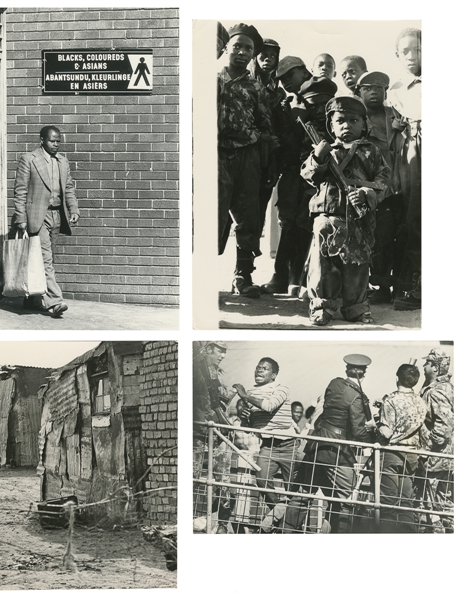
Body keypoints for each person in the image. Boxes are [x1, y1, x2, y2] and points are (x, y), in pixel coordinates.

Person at [302, 96, 390, 325]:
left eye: (353, 120)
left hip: (359, 218)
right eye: (340, 121)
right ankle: (322, 306)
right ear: (331, 126)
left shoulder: (372, 151)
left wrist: (366, 194)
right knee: (323, 265)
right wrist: (317, 158)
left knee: (357, 266)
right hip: (328, 217)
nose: (346, 126)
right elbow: (308, 176)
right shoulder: (324, 150)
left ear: (364, 124)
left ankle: (356, 308)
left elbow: (384, 181)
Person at [218, 23, 278, 297]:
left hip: (248, 157)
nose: (242, 52)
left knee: (249, 218)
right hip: (217, 155)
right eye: (237, 46)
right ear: (226, 48)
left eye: (248, 49)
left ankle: (242, 277)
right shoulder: (213, 79)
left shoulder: (256, 86)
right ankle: (202, 274)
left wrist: (263, 162)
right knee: (214, 216)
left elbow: (265, 126)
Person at [283, 354, 375, 533]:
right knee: (348, 498)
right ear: (364, 373)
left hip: (316, 445)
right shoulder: (357, 396)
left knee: (302, 496)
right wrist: (373, 436)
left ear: (346, 369)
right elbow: (358, 432)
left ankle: (286, 533)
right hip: (337, 451)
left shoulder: (334, 383)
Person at [13, 125, 80, 317]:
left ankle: (32, 300)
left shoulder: (63, 161)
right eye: (52, 141)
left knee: (46, 260)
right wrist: (21, 219)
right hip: (37, 217)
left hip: (57, 215)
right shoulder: (29, 159)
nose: (56, 144)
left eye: (58, 141)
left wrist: (73, 209)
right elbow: (20, 191)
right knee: (46, 260)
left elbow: (68, 188)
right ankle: (55, 301)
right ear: (41, 140)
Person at [262, 57, 315, 296]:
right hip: (292, 171)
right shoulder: (286, 102)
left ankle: (298, 277)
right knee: (288, 222)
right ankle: (281, 276)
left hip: (315, 172)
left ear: (304, 72)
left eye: (288, 76)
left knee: (305, 222)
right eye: (281, 79)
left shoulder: (320, 96)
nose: (284, 83)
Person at [356, 71, 405, 305]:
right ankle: (369, 286)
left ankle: (388, 287)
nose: (374, 92)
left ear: (386, 92)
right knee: (371, 238)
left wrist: (400, 128)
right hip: (367, 189)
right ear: (359, 92)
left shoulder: (394, 115)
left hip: (395, 188)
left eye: (378, 87)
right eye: (367, 88)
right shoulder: (355, 118)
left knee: (391, 237)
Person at [388, 28, 422, 311]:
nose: (413, 56)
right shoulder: (397, 91)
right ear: (398, 55)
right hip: (413, 152)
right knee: (415, 217)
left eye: (419, 49)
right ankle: (414, 285)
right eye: (406, 51)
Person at [232, 357, 293, 511]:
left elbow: (268, 405)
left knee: (293, 489)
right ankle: (279, 514)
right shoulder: (251, 393)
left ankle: (289, 524)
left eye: (265, 368)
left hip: (288, 445)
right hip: (267, 445)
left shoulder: (281, 388)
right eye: (258, 367)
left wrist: (245, 396)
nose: (259, 370)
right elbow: (248, 428)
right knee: (262, 481)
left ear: (274, 375)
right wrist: (244, 417)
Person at [375, 363, 426, 532]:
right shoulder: (420, 402)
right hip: (412, 455)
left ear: (397, 378)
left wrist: (376, 423)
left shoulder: (391, 399)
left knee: (388, 503)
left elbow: (387, 432)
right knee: (406, 503)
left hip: (392, 454)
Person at [193, 342, 237, 533]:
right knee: (193, 476)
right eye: (220, 351)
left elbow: (218, 399)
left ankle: (222, 524)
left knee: (223, 480)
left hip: (215, 431)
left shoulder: (213, 372)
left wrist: (233, 392)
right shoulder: (197, 368)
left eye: (224, 352)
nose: (223, 356)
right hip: (199, 430)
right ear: (209, 349)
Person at [248, 38, 285, 234]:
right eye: (264, 54)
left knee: (260, 209)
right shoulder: (244, 84)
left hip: (268, 157)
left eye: (273, 56)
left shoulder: (279, 93)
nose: (268, 59)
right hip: (246, 154)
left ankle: (246, 263)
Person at [418, 347, 454, 531]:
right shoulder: (443, 387)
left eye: (427, 363)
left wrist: (427, 446)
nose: (423, 366)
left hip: (436, 459)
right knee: (444, 509)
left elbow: (444, 428)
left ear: (434, 367)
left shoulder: (437, 391)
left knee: (431, 511)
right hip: (443, 460)